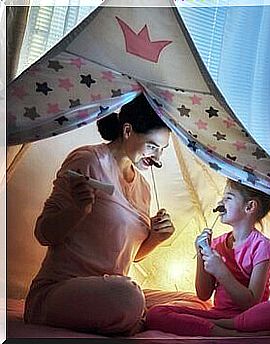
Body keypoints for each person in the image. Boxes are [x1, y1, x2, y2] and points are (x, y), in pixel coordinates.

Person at [24, 94, 177, 335]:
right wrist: (78, 210)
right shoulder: (87, 160)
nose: (158, 158)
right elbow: (43, 233)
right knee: (128, 296)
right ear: (128, 131)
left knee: (172, 299)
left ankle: (133, 316)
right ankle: (132, 316)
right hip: (59, 290)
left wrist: (155, 239)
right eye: (152, 147)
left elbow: (130, 255)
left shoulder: (144, 189)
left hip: (107, 291)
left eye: (163, 150)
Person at [145, 180, 270, 336]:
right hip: (218, 314)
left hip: (252, 317)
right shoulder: (216, 244)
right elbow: (203, 294)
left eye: (228, 197)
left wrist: (221, 271)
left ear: (249, 207)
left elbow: (250, 303)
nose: (221, 202)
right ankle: (233, 333)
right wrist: (201, 254)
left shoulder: (261, 245)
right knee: (155, 313)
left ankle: (223, 327)